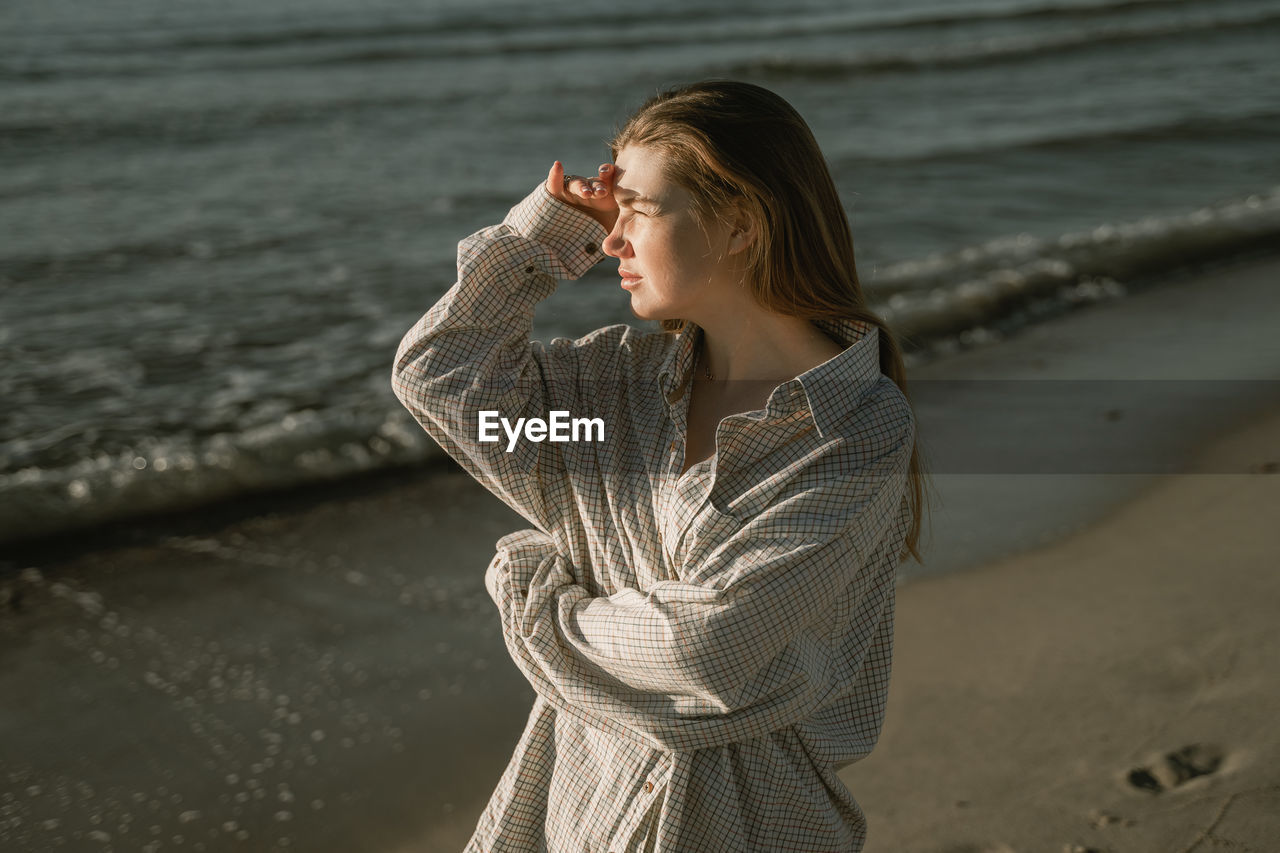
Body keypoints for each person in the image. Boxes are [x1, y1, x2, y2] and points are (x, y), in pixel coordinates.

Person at [392, 80, 929, 852]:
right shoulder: (608, 400)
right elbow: (442, 377)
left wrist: (540, 611)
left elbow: (706, 648)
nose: (611, 240)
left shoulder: (852, 430)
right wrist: (544, 235)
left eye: (637, 211)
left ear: (741, 223)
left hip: (750, 828)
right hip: (582, 809)